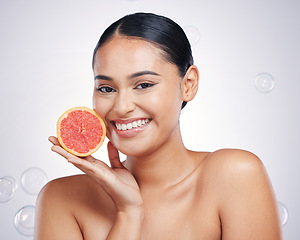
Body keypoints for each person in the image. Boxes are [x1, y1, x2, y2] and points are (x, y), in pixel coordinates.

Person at [34, 12, 282, 240]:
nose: (121, 107)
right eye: (106, 89)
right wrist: (128, 213)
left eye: (143, 84)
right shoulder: (62, 199)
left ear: (188, 84)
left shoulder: (234, 175)